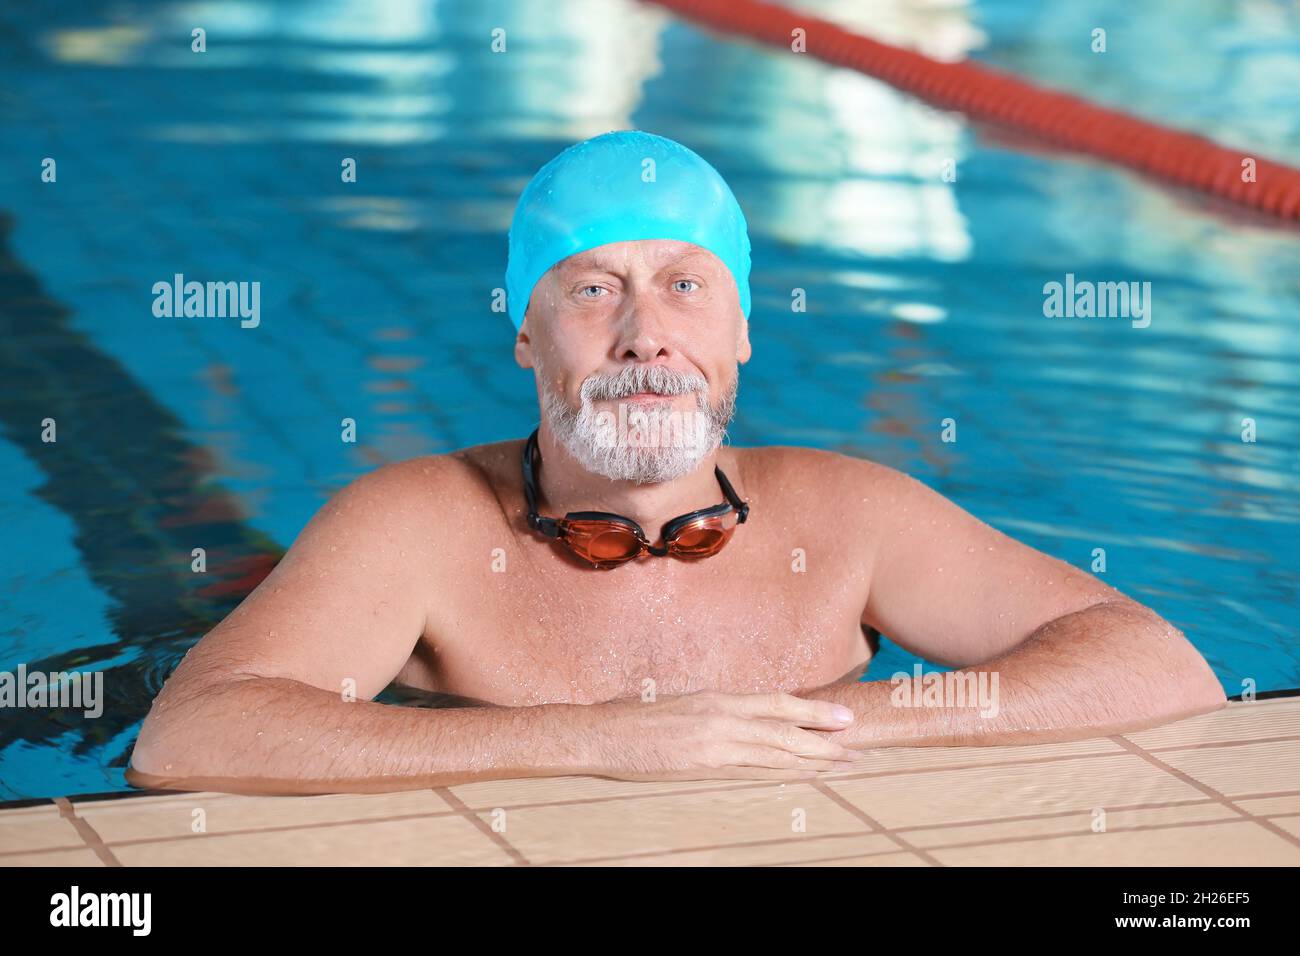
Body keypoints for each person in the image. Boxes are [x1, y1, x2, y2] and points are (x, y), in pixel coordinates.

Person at [127, 130, 1225, 795]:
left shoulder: (848, 514)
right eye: (591, 288)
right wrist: (603, 740)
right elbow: (193, 730)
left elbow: (1156, 663)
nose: (645, 334)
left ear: (741, 329)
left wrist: (799, 726)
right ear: (524, 333)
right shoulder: (413, 523)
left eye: (686, 285)